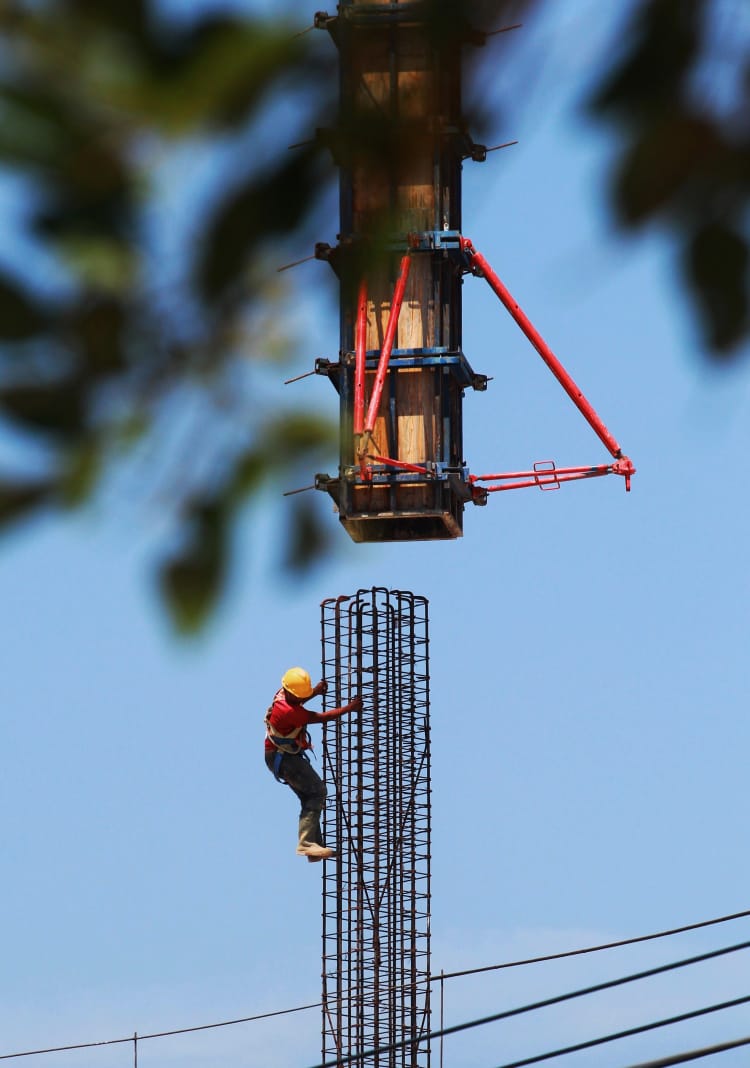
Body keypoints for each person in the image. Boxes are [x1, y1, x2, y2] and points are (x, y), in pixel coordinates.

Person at [265, 666, 362, 862]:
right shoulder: (289, 711)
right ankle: (306, 844)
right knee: (317, 791)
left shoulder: (282, 694)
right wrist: (348, 708)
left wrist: (315, 692)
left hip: (279, 757)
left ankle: (314, 846)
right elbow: (321, 717)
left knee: (309, 796)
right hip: (285, 759)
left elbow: (297, 700)